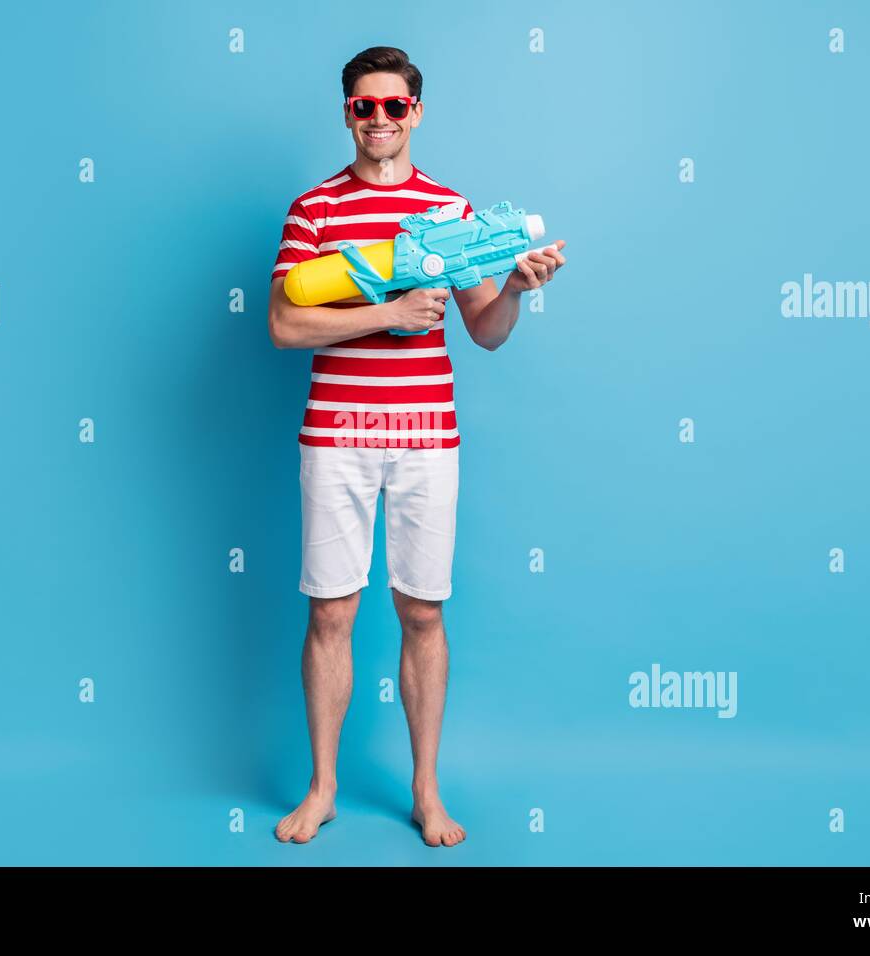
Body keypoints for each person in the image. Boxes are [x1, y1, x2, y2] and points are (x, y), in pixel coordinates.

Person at [267, 45, 566, 847]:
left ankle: (426, 792)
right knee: (331, 611)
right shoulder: (314, 210)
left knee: (421, 612)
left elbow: (488, 333)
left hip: (427, 438)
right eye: (364, 107)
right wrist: (384, 314)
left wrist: (518, 292)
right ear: (347, 114)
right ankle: (324, 788)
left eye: (393, 107)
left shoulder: (451, 211)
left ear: (417, 113)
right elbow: (285, 322)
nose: (379, 120)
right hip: (335, 435)